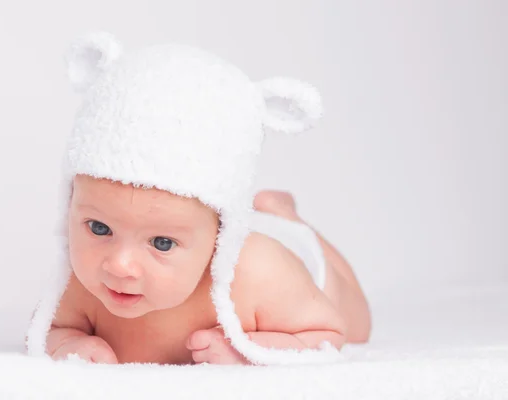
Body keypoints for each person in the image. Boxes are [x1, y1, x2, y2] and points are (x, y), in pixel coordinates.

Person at [25, 31, 371, 365]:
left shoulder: (257, 273)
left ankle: (286, 216)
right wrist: (72, 343)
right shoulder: (81, 281)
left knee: (359, 324)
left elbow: (328, 332)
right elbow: (47, 330)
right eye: (99, 228)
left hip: (295, 258)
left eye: (161, 242)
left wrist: (249, 350)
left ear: (221, 238)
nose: (119, 265)